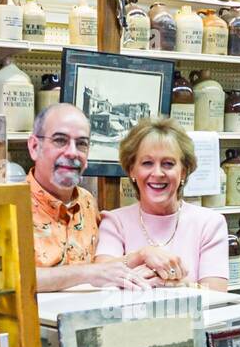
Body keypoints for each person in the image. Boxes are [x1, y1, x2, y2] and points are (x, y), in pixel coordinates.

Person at [26, 104, 187, 292]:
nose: (72, 152)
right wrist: (89, 273)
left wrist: (141, 256)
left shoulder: (86, 202)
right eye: (60, 141)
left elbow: (105, 272)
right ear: (34, 147)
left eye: (81, 144)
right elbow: (9, 279)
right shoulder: (10, 205)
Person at [95, 116, 229, 290]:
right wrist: (142, 255)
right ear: (131, 170)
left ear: (184, 171)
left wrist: (165, 283)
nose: (157, 173)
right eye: (147, 163)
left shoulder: (210, 224)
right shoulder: (114, 222)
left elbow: (217, 293)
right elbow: (100, 277)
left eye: (168, 164)